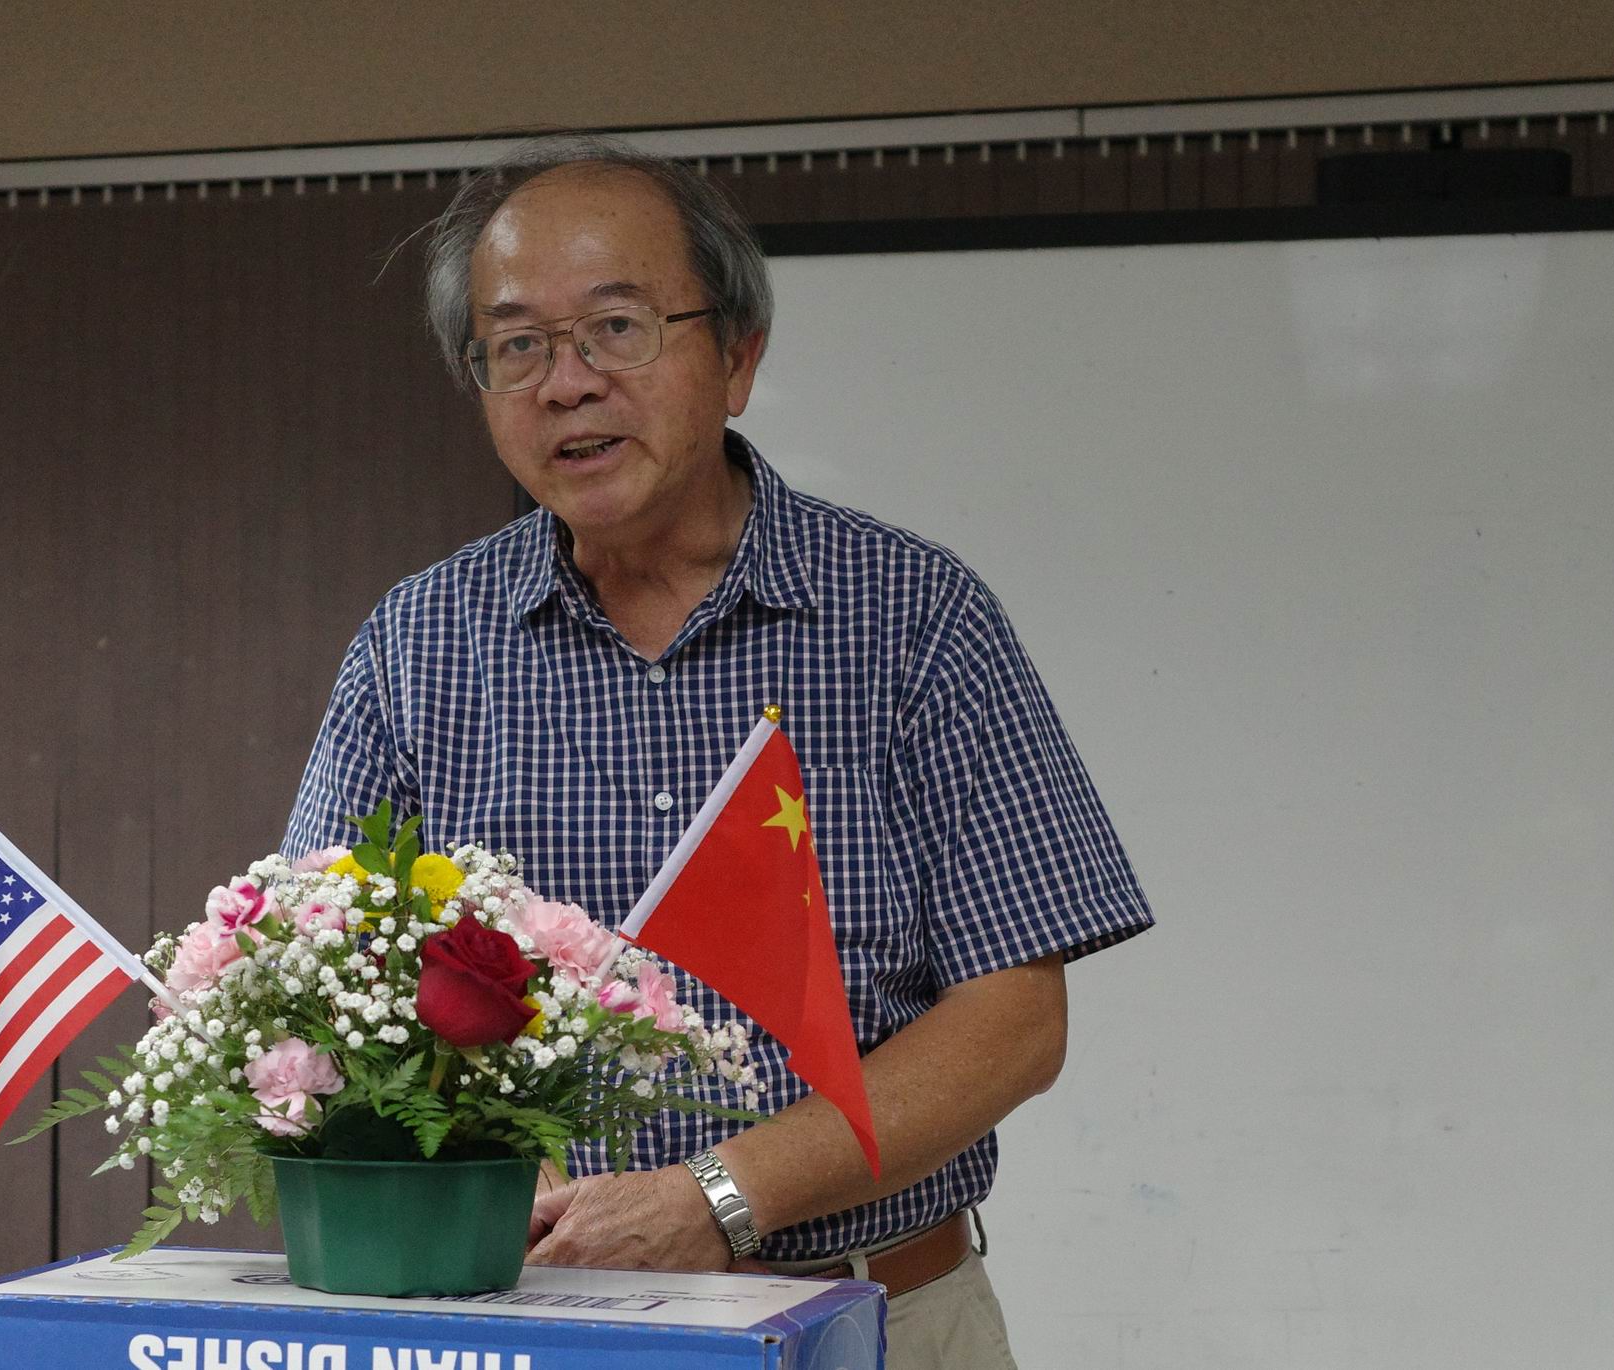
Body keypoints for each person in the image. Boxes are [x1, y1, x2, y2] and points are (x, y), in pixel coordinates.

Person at [281, 133, 1152, 1369]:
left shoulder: (911, 615)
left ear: (737, 356)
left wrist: (718, 1195)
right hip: (531, 1327)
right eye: (515, 345)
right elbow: (310, 988)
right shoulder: (418, 644)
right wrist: (484, 1165)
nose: (565, 383)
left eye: (616, 329)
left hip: (875, 1317)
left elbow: (1013, 1020)